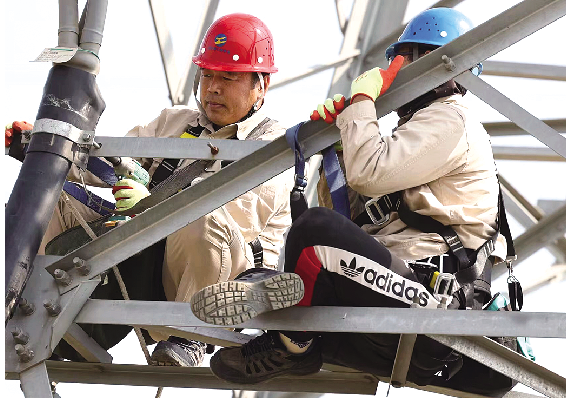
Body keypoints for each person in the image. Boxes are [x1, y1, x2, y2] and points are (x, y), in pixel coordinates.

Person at [188, 8, 517, 397]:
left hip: (428, 307)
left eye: (404, 60)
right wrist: (341, 148)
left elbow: (368, 176)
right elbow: (356, 217)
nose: (396, 72)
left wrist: (361, 103)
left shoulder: (450, 120)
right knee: (318, 234)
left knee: (314, 231)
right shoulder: (418, 130)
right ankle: (287, 321)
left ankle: (290, 338)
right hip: (387, 313)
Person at [6, 13, 294, 368]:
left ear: (260, 85)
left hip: (210, 285)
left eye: (228, 78)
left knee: (201, 217)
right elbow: (105, 163)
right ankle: (21, 299)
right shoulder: (173, 124)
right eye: (207, 75)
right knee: (54, 194)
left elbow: (233, 213)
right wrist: (44, 150)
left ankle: (190, 335)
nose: (213, 87)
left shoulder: (274, 147)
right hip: (145, 267)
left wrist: (153, 205)